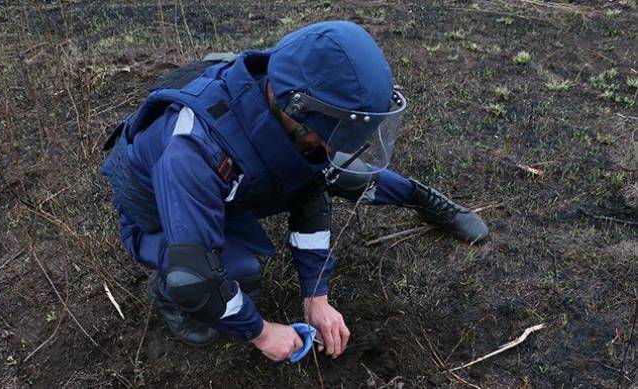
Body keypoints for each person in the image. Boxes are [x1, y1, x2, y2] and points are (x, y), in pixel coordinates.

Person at [101, 21, 488, 362]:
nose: (344, 145)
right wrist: (262, 332)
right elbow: (197, 278)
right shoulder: (193, 151)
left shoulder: (287, 105)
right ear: (299, 111)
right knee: (232, 273)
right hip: (156, 209)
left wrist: (315, 296)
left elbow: (310, 192)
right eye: (339, 133)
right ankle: (164, 291)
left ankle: (423, 199)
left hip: (227, 186)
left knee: (340, 174)